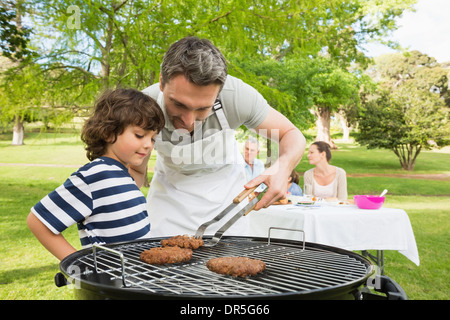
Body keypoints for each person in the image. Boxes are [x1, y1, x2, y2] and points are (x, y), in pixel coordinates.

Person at [133, 36, 305, 237]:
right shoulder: (143, 106)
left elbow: (292, 134)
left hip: (227, 207)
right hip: (168, 205)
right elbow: (135, 170)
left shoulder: (236, 96)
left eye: (202, 109)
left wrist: (282, 168)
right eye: (179, 104)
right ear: (162, 83)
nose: (189, 121)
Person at [26, 89, 165, 260]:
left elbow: (138, 174)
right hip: (110, 283)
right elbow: (38, 221)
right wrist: (80, 264)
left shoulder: (122, 175)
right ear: (108, 132)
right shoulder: (95, 176)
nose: (148, 145)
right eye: (139, 135)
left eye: (153, 139)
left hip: (134, 279)